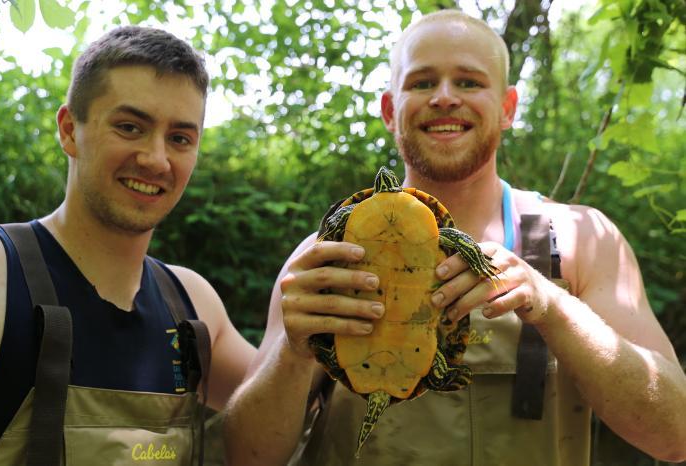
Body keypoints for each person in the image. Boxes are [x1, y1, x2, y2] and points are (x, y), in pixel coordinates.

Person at [223, 9, 686, 466]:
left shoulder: (579, 241)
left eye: (468, 82)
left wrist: (552, 305)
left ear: (507, 109)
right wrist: (292, 351)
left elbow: (675, 436)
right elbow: (245, 455)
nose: (445, 98)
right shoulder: (330, 255)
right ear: (390, 110)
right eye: (422, 83)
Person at [0, 26, 255, 464]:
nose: (156, 159)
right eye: (130, 127)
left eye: (180, 138)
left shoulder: (193, 305)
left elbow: (289, 412)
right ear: (70, 130)